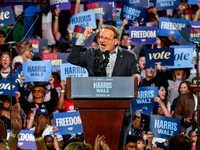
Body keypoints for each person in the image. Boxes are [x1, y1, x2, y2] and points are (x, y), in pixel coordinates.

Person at [67, 25, 140, 79]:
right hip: (96, 97)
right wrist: (83, 37)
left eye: (107, 38)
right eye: (101, 38)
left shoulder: (129, 56)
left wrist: (136, 77)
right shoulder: (91, 53)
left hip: (119, 97)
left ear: (115, 41)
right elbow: (72, 59)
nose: (102, 41)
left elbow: (135, 73)